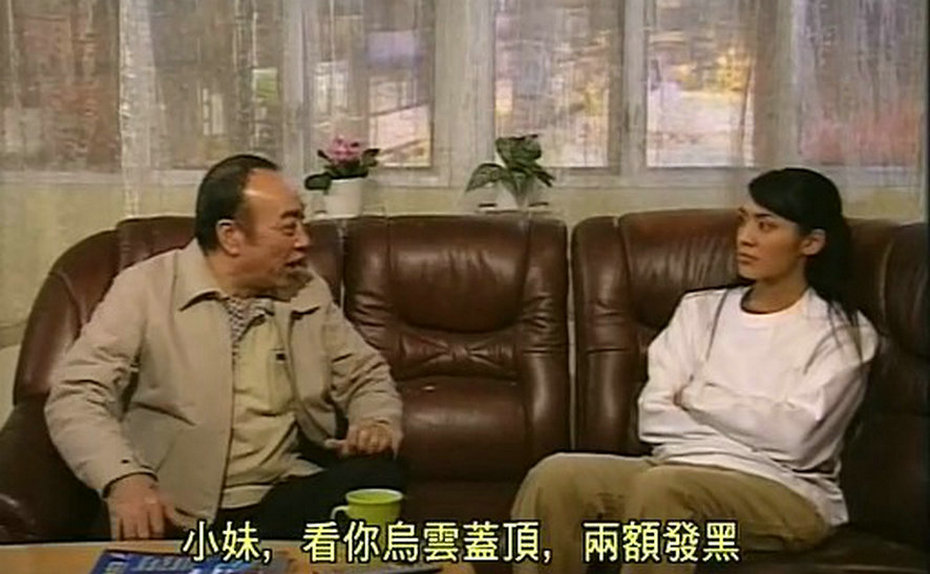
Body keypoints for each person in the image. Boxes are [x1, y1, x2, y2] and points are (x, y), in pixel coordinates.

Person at [511, 168, 878, 574]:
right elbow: (653, 415)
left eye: (766, 225)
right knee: (557, 477)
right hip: (672, 467)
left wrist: (696, 397)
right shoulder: (699, 310)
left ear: (811, 242)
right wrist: (755, 422)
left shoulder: (842, 334)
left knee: (666, 490)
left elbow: (797, 442)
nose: (745, 237)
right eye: (743, 220)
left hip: (785, 492)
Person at [45, 154, 404, 541]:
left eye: (302, 223)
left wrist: (375, 421)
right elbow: (77, 395)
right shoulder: (145, 288)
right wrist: (123, 478)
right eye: (289, 227)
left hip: (282, 495)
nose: (304, 241)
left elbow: (364, 374)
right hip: (175, 506)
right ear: (231, 236)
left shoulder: (304, 289)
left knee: (380, 475)